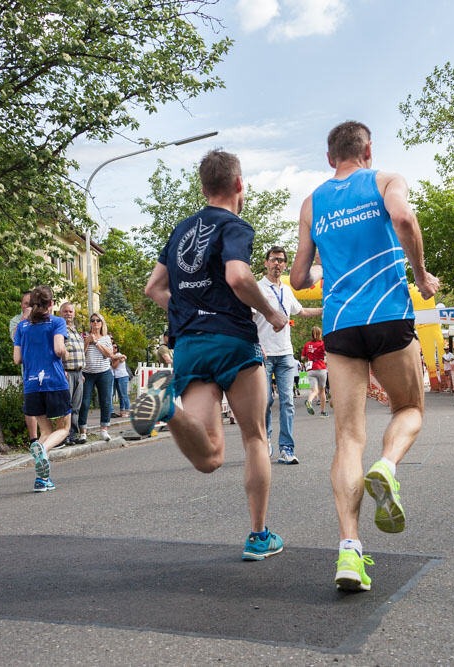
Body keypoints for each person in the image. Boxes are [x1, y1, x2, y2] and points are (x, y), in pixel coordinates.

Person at [290, 121, 439, 592]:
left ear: (330, 156)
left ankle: (350, 552)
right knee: (410, 408)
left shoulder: (313, 202)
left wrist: (328, 261)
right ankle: (388, 466)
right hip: (389, 313)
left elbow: (296, 278)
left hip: (340, 323)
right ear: (368, 150)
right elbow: (404, 220)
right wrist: (420, 275)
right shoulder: (386, 180)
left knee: (348, 438)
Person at [136, 148, 289, 562]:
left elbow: (153, 288)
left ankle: (166, 407)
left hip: (189, 346)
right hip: (233, 343)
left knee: (210, 457)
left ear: (203, 187)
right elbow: (238, 276)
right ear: (240, 185)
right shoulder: (234, 225)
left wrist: (188, 309)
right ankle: (259, 537)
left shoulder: (180, 230)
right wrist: (271, 312)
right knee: (255, 436)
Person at [253, 246, 322, 464]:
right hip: (263, 353)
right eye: (273, 259)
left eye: (281, 261)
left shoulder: (287, 290)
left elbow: (300, 311)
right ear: (266, 263)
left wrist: (324, 309)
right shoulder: (257, 289)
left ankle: (287, 448)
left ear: (285, 265)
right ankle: (266, 441)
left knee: (288, 402)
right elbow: (248, 319)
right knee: (264, 401)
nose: (277, 264)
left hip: (285, 354)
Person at [13, 285, 71, 492]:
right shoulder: (57, 322)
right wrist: (65, 352)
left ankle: (42, 480)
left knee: (45, 430)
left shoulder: (22, 327)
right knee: (64, 428)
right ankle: (43, 449)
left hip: (31, 385)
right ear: (51, 304)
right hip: (54, 382)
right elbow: (58, 349)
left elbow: (17, 359)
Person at [78, 312, 115, 443]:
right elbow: (80, 355)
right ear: (90, 323)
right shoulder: (84, 337)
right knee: (85, 402)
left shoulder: (106, 338)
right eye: (92, 320)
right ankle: (83, 432)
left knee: (105, 401)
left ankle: (104, 430)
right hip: (87, 373)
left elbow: (110, 354)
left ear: (102, 323)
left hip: (104, 373)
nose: (95, 323)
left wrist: (97, 343)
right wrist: (87, 342)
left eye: (98, 320)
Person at [10, 290, 38, 441]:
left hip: (46, 367)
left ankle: (48, 437)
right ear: (21, 305)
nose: (29, 307)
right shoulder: (16, 321)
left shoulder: (42, 319)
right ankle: (34, 439)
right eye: (26, 303)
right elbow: (15, 338)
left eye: (32, 304)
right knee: (31, 404)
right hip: (28, 369)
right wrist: (25, 318)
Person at [57, 302, 85, 444]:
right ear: (60, 314)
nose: (68, 314)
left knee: (75, 407)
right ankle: (64, 436)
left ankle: (72, 435)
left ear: (74, 314)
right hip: (66, 373)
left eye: (70, 311)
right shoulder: (60, 330)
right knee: (66, 406)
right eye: (65, 311)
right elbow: (56, 352)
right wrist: (61, 370)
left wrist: (82, 373)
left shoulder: (75, 331)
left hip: (79, 373)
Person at [302, 326, 330, 417]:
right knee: (322, 391)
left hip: (311, 369)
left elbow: (302, 357)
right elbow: (327, 353)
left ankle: (309, 401)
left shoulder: (307, 345)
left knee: (314, 391)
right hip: (321, 368)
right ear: (320, 334)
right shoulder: (322, 344)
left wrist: (309, 356)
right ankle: (323, 412)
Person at [111, 341, 130, 419]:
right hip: (116, 377)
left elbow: (115, 365)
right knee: (120, 396)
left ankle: (127, 411)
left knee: (124, 395)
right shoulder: (112, 356)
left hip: (122, 376)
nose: (114, 348)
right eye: (112, 347)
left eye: (115, 347)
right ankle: (122, 411)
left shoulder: (118, 355)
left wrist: (119, 358)